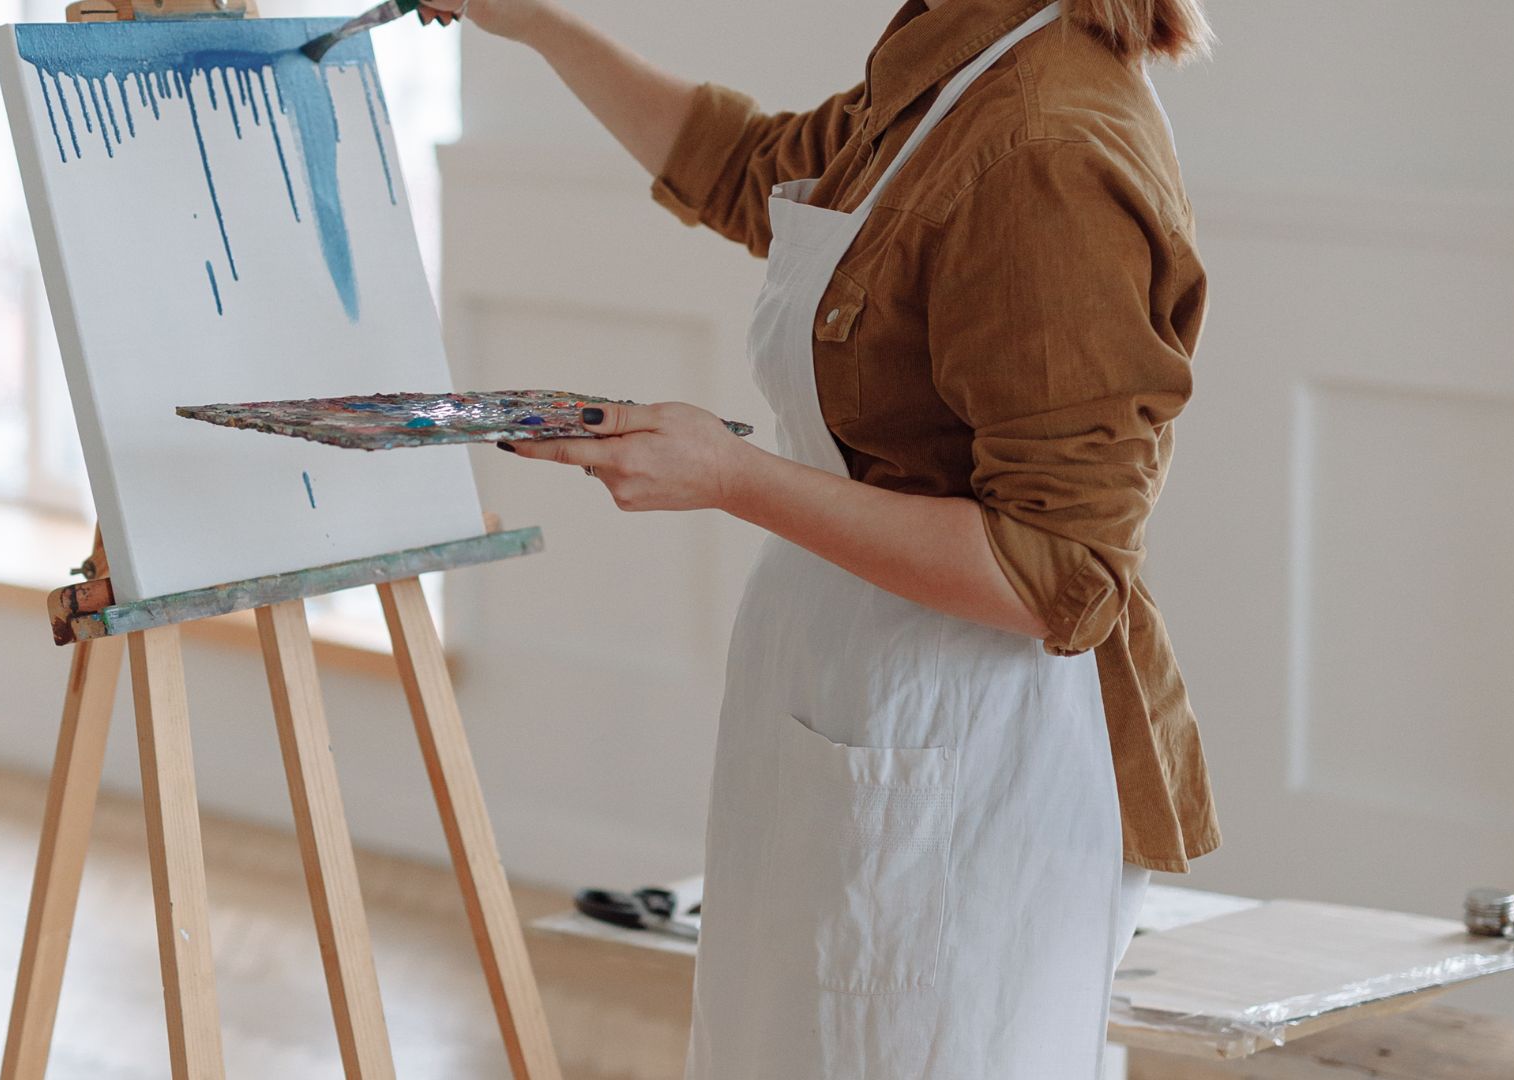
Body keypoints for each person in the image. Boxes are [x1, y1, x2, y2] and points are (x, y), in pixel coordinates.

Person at [429, 0, 1222, 1074]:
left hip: (967, 760)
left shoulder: (1043, 147)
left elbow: (1056, 572)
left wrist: (730, 476)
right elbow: (751, 168)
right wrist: (531, 22)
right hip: (857, 708)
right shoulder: (956, 47)